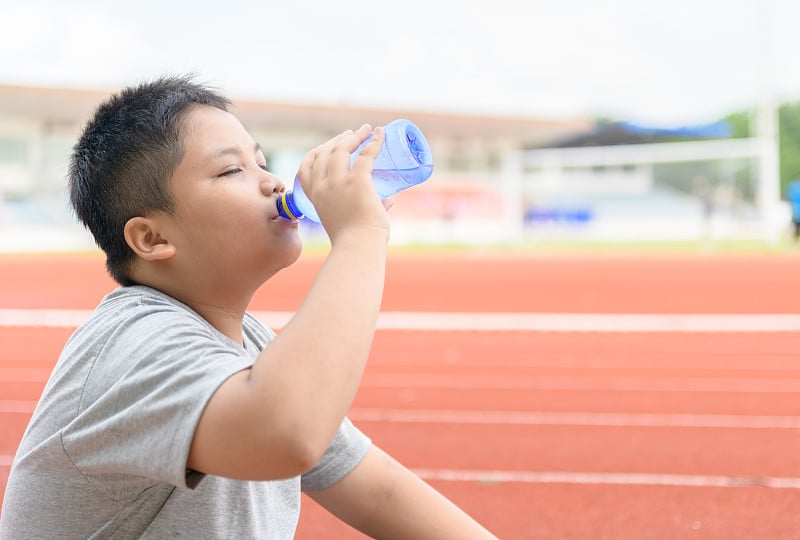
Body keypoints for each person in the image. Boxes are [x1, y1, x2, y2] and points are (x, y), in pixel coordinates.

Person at [0, 76, 496, 539]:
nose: (272, 183)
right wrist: (361, 236)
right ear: (151, 237)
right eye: (231, 169)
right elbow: (288, 433)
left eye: (261, 161)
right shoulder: (135, 342)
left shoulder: (252, 345)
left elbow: (379, 488)